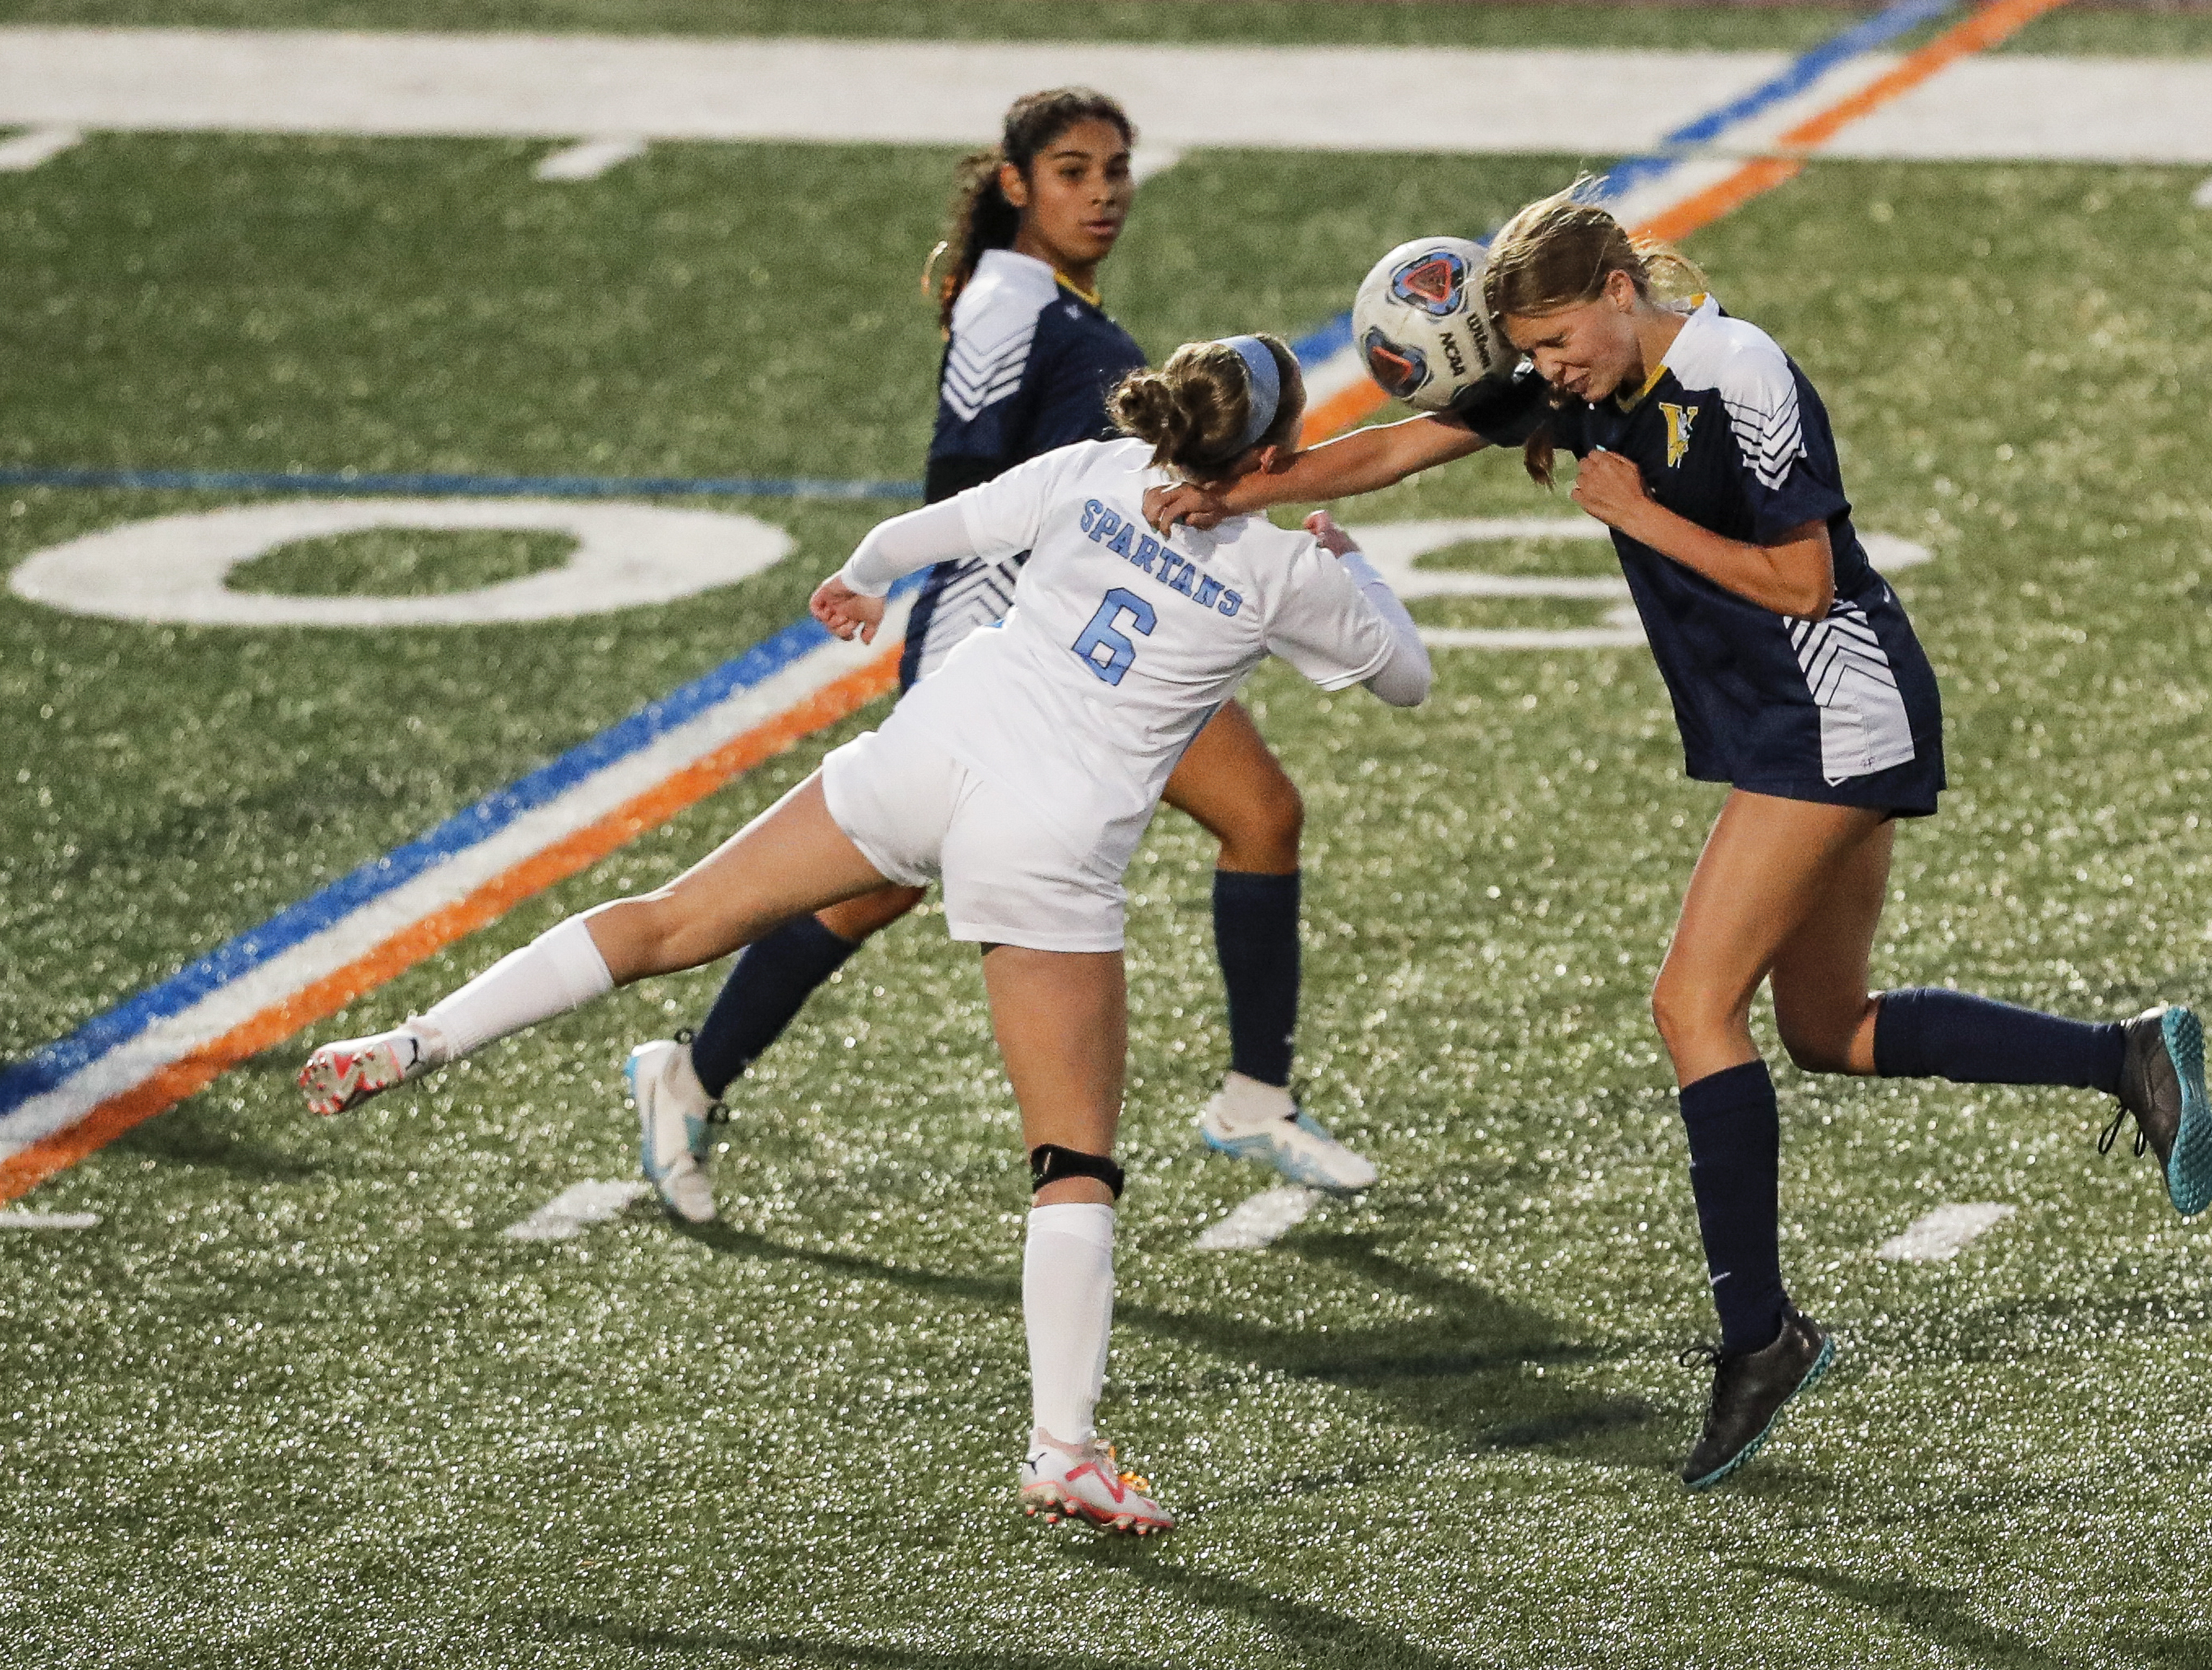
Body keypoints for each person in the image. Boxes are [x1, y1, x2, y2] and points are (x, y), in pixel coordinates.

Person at [1148, 190, 2212, 1491]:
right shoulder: (1584, 381)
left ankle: (1757, 1335)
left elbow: (1805, 582)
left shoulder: (1738, 371)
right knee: (1829, 1029)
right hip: (1787, 723)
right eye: (1531, 356)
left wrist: (1631, 510)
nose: (1544, 374)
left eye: (1555, 344)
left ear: (1618, 288)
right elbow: (1392, 449)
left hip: (1835, 710)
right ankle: (2121, 1059)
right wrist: (1222, 495)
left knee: (1690, 1006)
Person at [298, 335, 1433, 1535]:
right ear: (1269, 455)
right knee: (1071, 1164)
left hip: (926, 756)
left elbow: (913, 539)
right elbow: (1404, 678)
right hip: (1044, 841)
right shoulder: (1285, 567)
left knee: (671, 921)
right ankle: (1065, 1450)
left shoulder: (1094, 468)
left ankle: (425, 1036)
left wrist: (859, 580)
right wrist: (1349, 563)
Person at [625, 87, 1376, 1230]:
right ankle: (689, 1072)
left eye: (1116, 169)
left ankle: (1252, 1094)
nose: (1103, 192)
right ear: (1016, 184)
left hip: (1103, 637)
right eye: (1073, 171)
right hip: (1010, 640)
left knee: (1263, 814)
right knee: (876, 882)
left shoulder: (1060, 303)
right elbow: (959, 478)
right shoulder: (1003, 299)